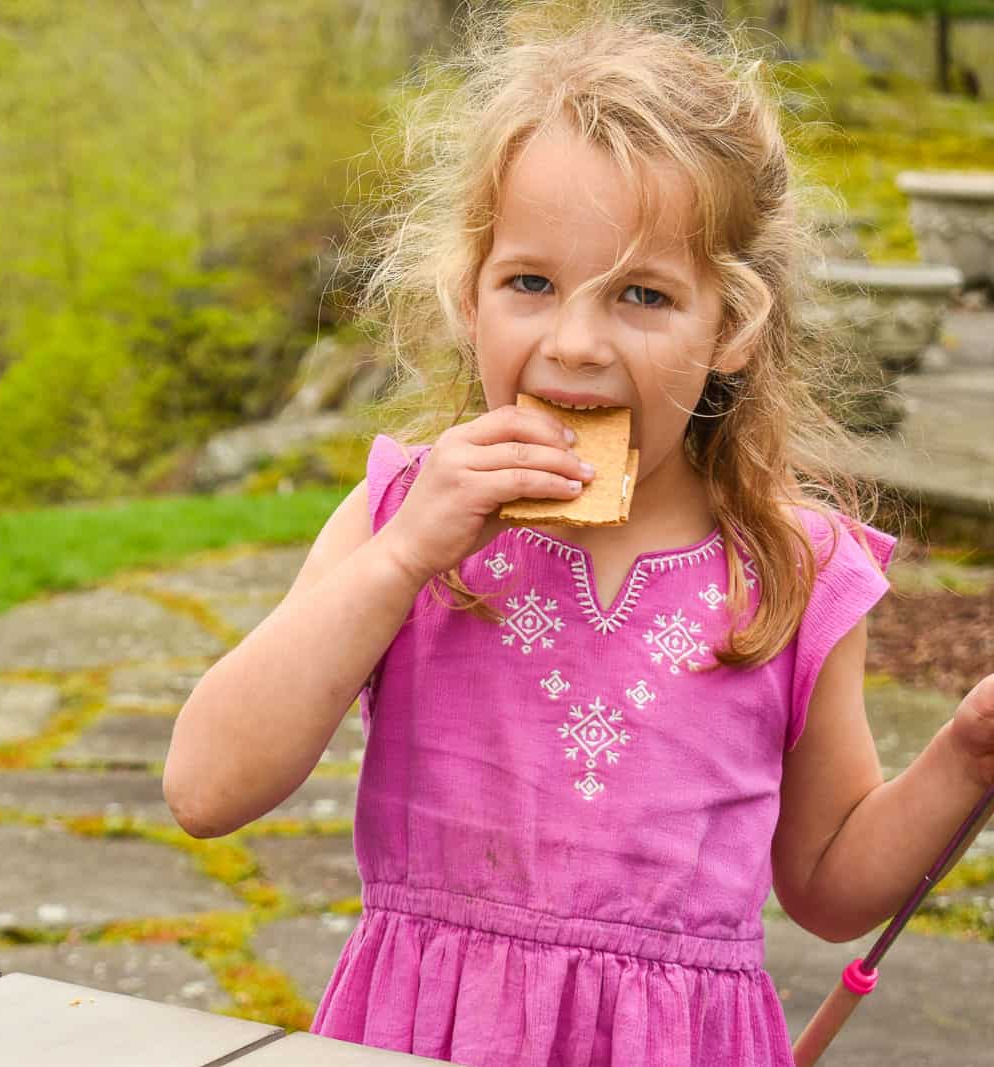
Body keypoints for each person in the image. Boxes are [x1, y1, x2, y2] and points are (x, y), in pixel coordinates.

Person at [161, 4, 994, 1065]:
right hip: (425, 1033)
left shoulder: (795, 572)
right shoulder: (401, 517)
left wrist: (965, 753)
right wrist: (404, 553)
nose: (576, 342)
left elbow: (829, 884)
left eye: (642, 294)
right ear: (467, 295)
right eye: (530, 284)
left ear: (731, 327)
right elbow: (205, 785)